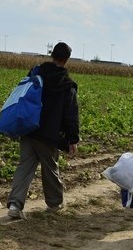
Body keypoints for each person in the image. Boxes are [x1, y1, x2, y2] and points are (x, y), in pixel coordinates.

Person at [7, 42, 79, 218]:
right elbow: (70, 114)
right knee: (50, 169)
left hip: (28, 128)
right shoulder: (67, 84)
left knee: (25, 166)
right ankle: (54, 204)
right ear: (66, 60)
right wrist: (73, 139)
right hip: (49, 134)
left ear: (52, 55)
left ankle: (15, 206)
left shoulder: (35, 73)